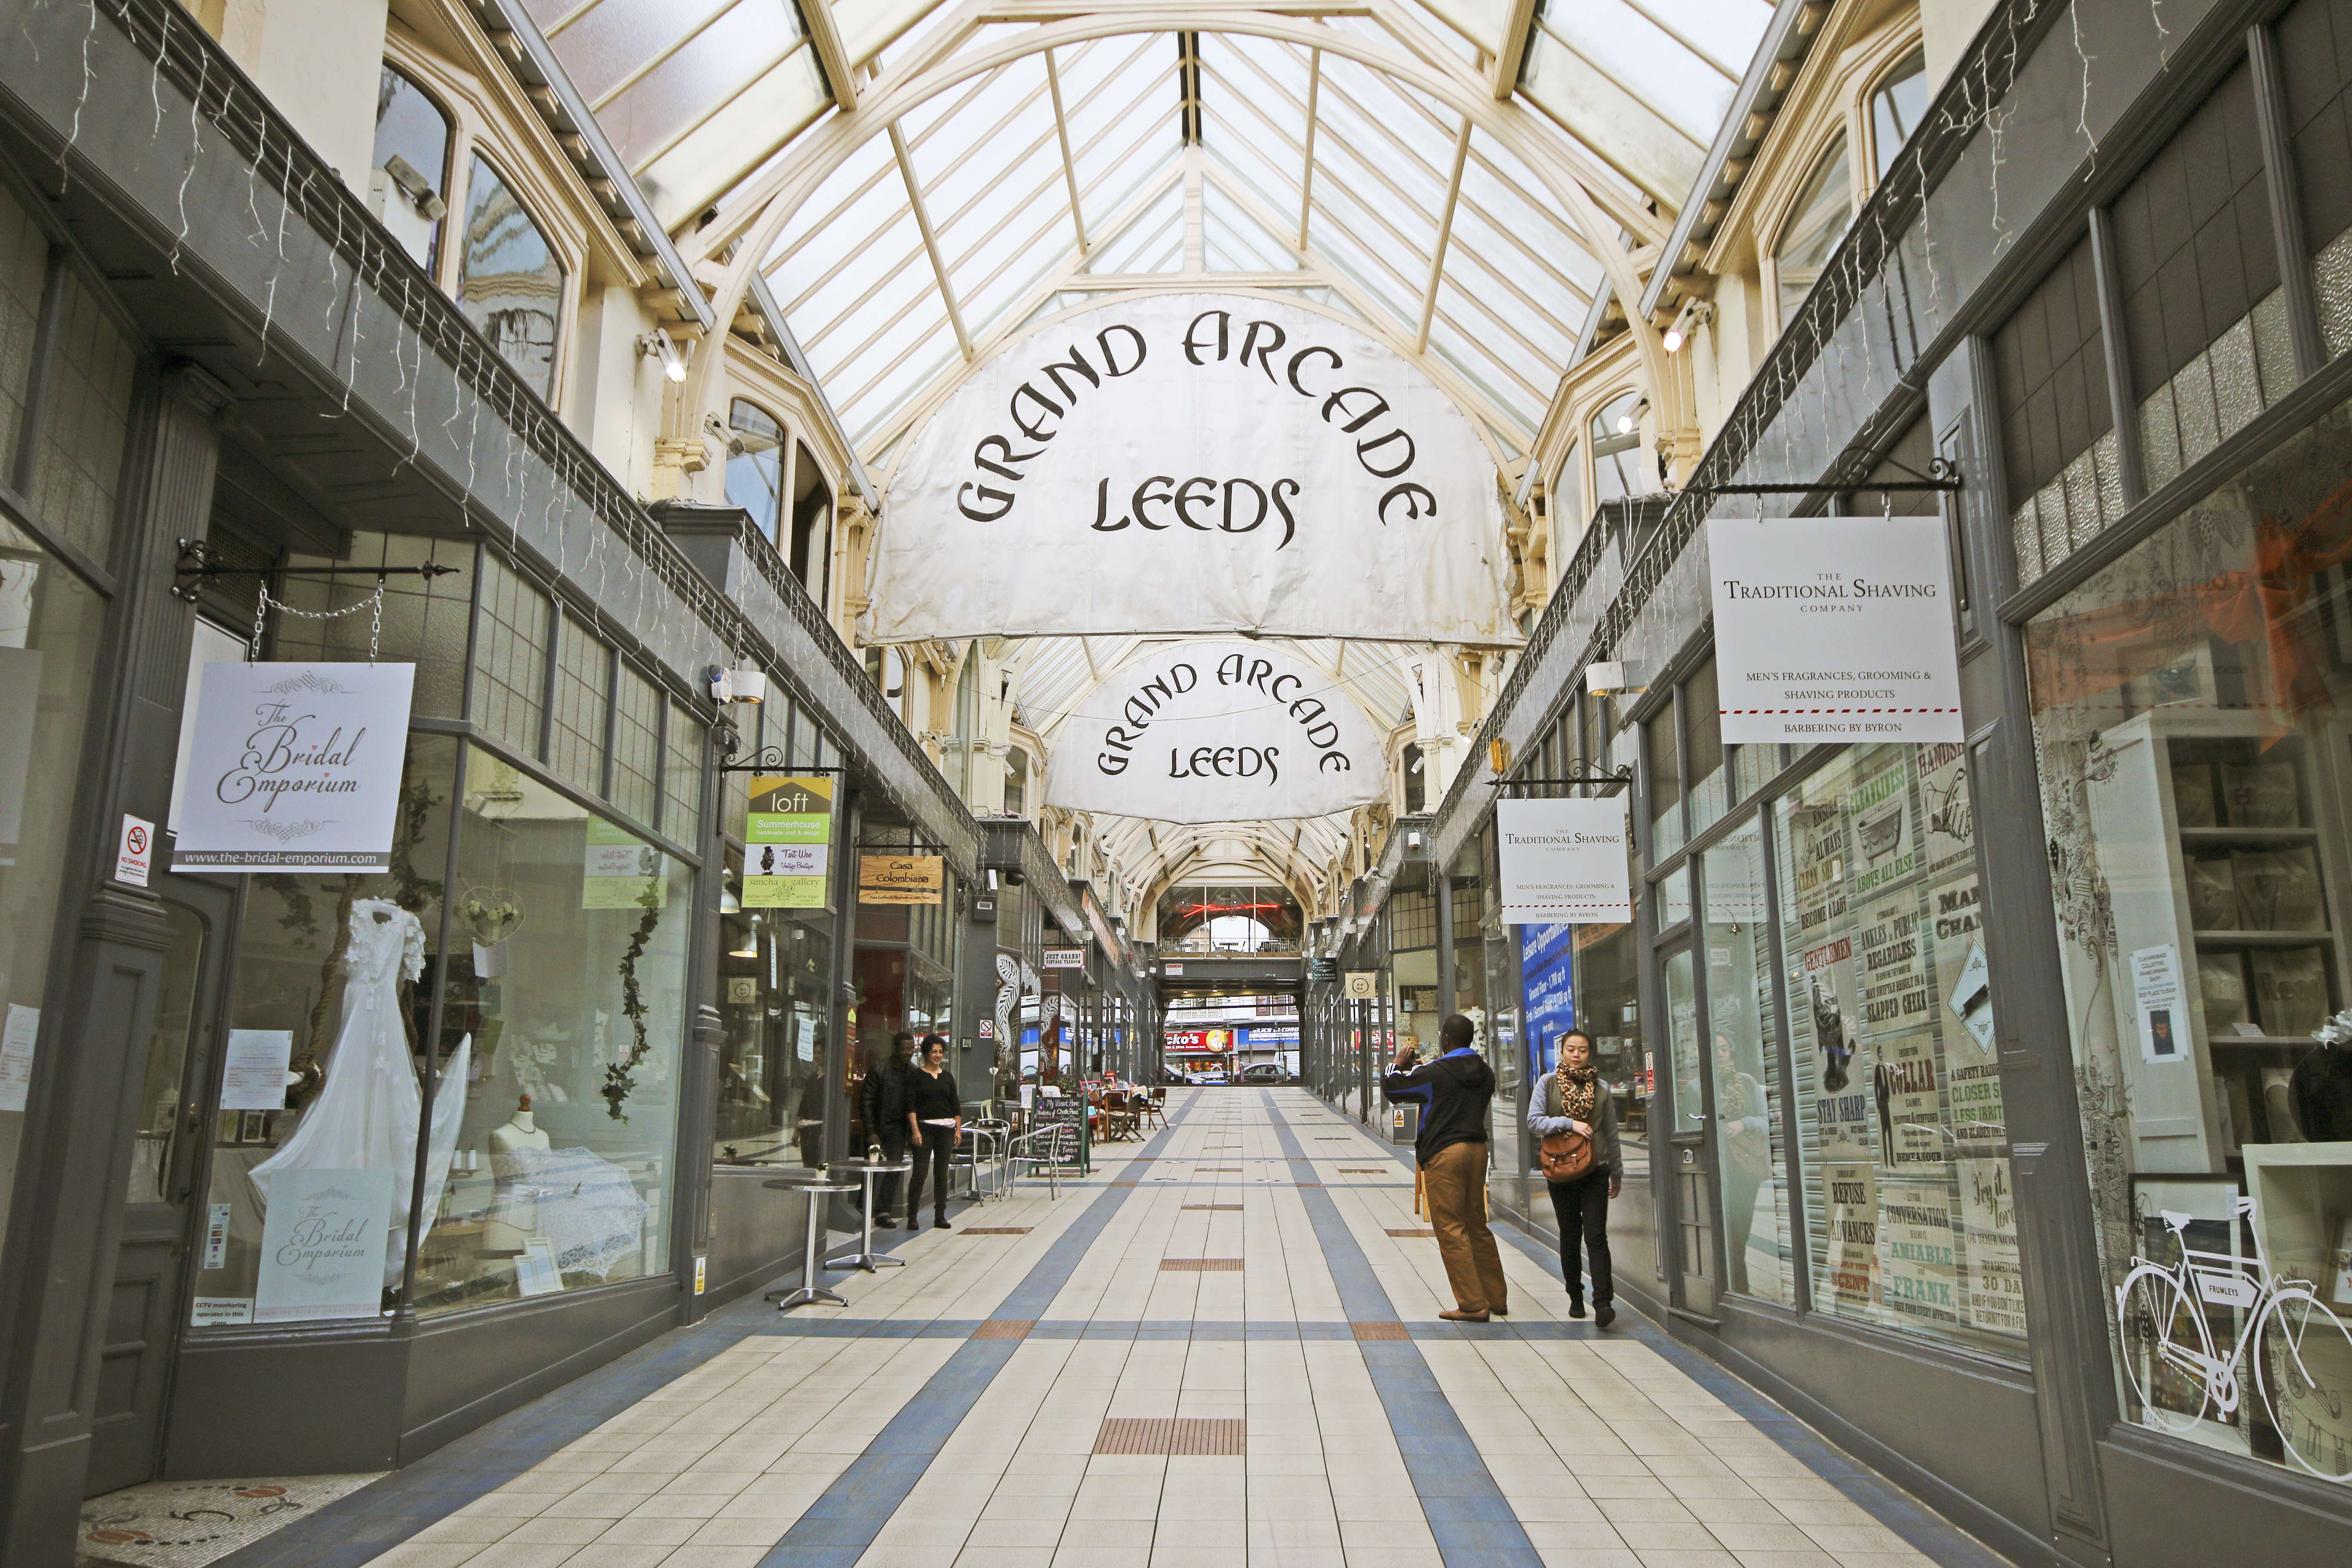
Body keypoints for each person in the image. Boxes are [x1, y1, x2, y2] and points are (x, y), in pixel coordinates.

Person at [1383, 1014, 1508, 1322]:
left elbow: (1393, 1088)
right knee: (1476, 1223)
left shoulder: (1435, 1073)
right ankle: (1496, 1298)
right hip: (1478, 1151)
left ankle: (1472, 1304)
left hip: (1445, 1154)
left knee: (1451, 1228)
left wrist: (1398, 1063)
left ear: (1447, 1040)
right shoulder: (1486, 1073)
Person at [1529, 1029, 1620, 1325]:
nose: (1577, 1055)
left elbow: (1611, 1132)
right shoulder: (1548, 1083)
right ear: (1563, 1053)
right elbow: (1534, 1121)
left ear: (1590, 1053)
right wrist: (1570, 1123)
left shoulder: (1602, 1088)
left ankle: (1603, 1302)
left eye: (1582, 1049)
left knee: (1596, 1236)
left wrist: (1617, 1172)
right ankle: (1575, 1296)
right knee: (1570, 1236)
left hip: (1596, 1169)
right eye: (1571, 1049)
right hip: (1561, 1170)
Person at [1713, 1032, 1771, 1298]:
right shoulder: (1698, 1086)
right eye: (1716, 1049)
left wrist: (1743, 1123)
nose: (1722, 1053)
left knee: (1740, 1232)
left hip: (1745, 1167)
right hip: (1716, 1166)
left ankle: (1739, 1288)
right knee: (1722, 1231)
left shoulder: (1747, 1083)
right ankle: (1735, 1288)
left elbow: (1765, 1120)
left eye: (1725, 1048)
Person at [904, 1034, 961, 1230]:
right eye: (934, 1052)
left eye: (940, 1052)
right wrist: (915, 1130)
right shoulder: (916, 1076)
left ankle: (940, 1215)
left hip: (946, 1129)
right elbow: (910, 1106)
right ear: (926, 1054)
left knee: (941, 1172)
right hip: (924, 1128)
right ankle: (912, 1216)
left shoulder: (947, 1077)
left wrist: (958, 1130)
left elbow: (956, 1106)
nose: (937, 1055)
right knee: (920, 1172)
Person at [858, 1032, 914, 1226]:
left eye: (912, 1048)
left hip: (899, 1130)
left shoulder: (913, 1073)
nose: (909, 1052)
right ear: (896, 1049)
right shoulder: (879, 1068)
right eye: (906, 1049)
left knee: (894, 1170)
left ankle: (883, 1212)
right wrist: (871, 1131)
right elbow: (866, 1100)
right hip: (878, 1128)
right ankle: (863, 1208)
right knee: (871, 1169)